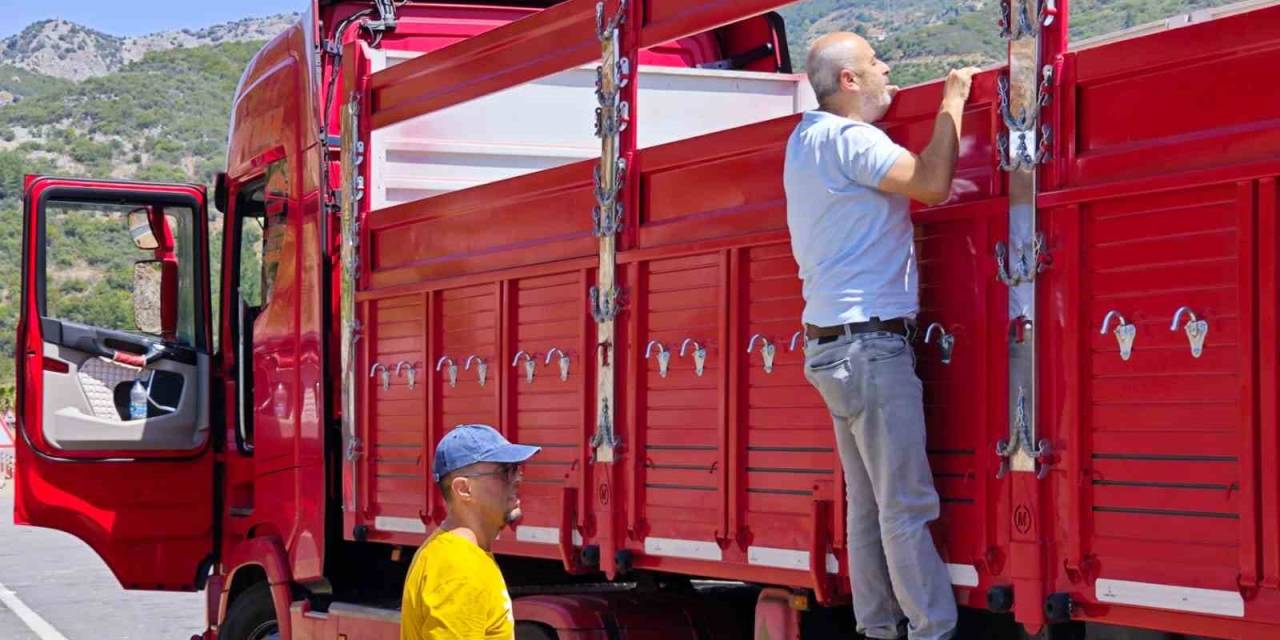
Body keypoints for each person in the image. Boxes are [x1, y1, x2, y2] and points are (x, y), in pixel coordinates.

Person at [783, 32, 981, 640]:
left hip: (832, 348)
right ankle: (930, 631)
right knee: (905, 506)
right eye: (874, 64)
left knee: (868, 506)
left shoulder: (804, 141)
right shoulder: (851, 140)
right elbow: (930, 184)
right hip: (871, 346)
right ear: (848, 82)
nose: (886, 70)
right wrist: (953, 100)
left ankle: (877, 627)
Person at [400, 424, 540, 640]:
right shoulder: (459, 569)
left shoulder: (457, 555)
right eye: (504, 471)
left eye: (517, 468)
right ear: (464, 489)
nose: (517, 478)